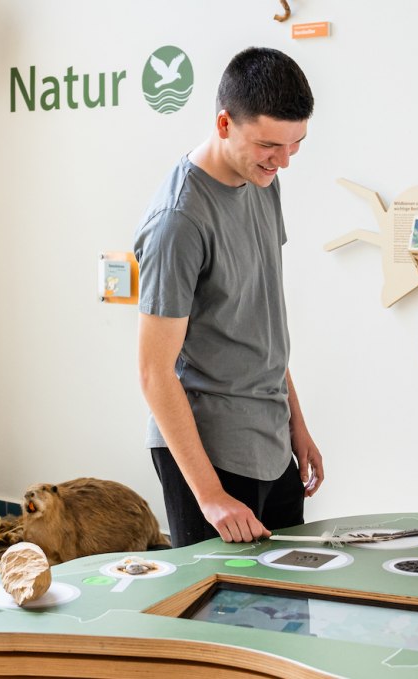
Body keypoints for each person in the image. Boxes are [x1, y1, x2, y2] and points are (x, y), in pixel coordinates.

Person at [134, 47, 325, 547]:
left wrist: (295, 424)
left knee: (287, 609)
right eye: (269, 145)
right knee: (218, 619)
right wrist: (211, 495)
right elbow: (155, 373)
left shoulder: (263, 180)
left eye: (295, 144)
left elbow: (259, 320)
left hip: (269, 438)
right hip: (209, 453)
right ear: (224, 124)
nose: (283, 161)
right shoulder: (178, 222)